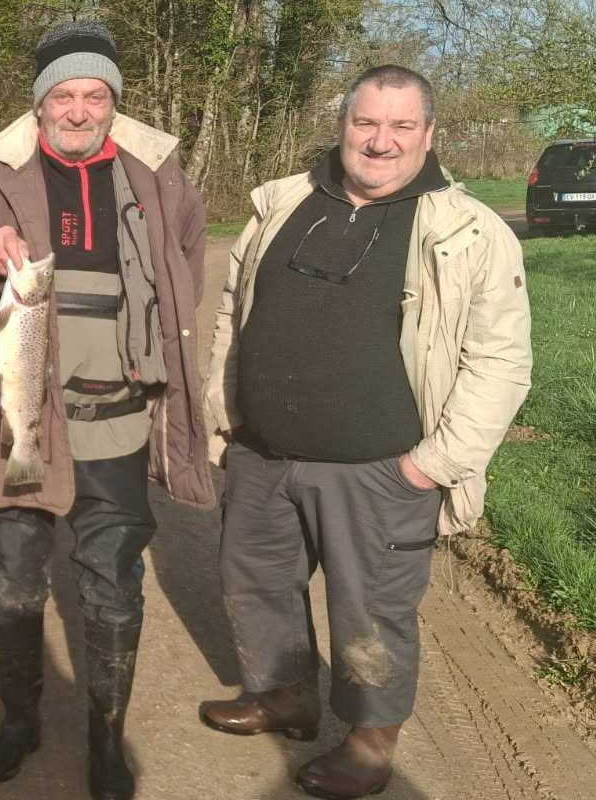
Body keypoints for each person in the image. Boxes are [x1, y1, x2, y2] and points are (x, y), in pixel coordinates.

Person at [200, 64, 532, 799]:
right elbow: (233, 314)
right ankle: (283, 696)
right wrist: (225, 417)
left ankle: (371, 743)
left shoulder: (467, 229)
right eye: (365, 123)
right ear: (343, 124)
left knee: (371, 613)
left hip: (382, 468)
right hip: (262, 454)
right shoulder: (284, 202)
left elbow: (502, 363)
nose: (380, 142)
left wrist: (431, 465)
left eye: (401, 126)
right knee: (257, 587)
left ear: (429, 134)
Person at [0, 20, 214, 800]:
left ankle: (106, 739)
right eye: (64, 95)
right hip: (17, 419)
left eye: (95, 94)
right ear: (40, 103)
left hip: (117, 419)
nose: (78, 110)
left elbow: (184, 282)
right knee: (14, 582)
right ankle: (19, 721)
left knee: (112, 585)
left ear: (113, 102)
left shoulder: (161, 176)